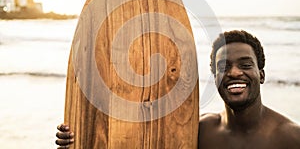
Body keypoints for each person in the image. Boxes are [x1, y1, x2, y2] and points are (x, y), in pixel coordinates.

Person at [56, 30, 300, 148]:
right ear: (214, 78)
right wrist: (76, 143)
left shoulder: (290, 137)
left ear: (262, 75)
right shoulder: (200, 131)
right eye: (224, 67)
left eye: (246, 65)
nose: (234, 72)